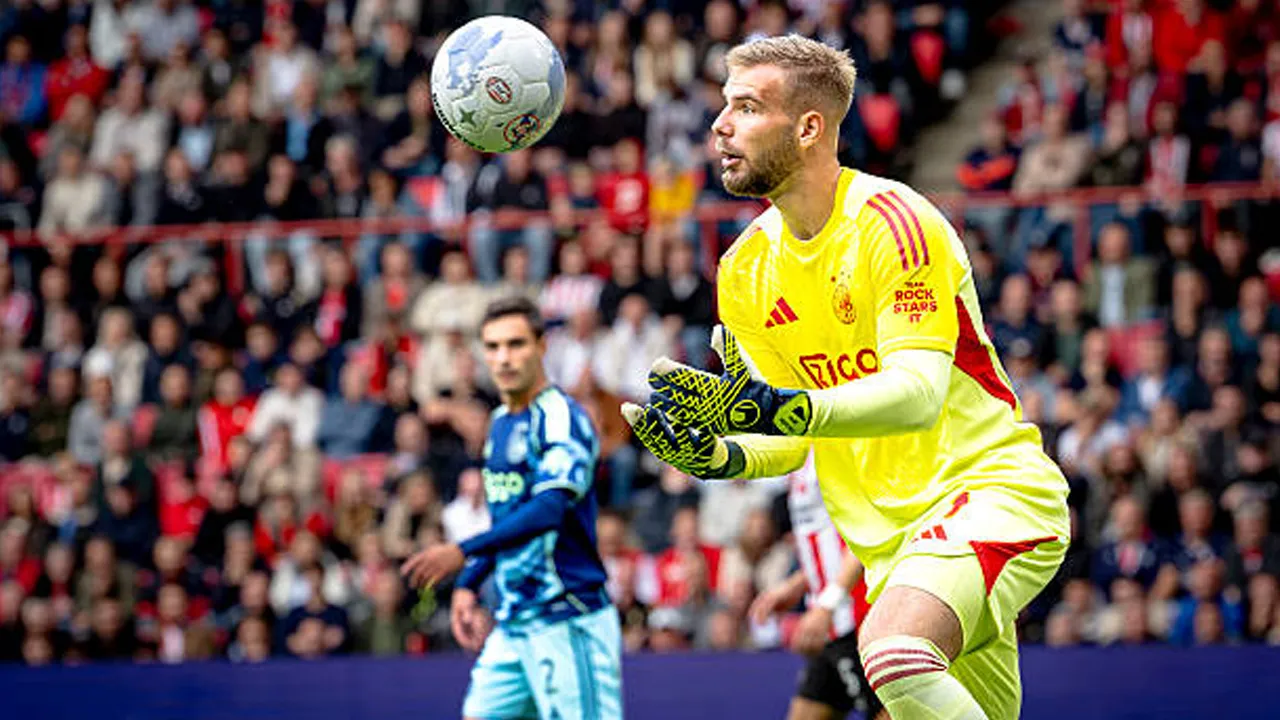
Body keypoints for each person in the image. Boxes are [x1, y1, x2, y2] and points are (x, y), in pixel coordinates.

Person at [622, 36, 1069, 720]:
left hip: (988, 492)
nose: (719, 125)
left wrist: (785, 409)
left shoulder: (895, 224)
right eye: (725, 107)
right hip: (891, 544)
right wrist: (723, 454)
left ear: (809, 128)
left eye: (745, 107)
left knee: (890, 653)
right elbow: (790, 433)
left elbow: (916, 394)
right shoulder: (744, 270)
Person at [401, 297, 621, 720]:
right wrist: (471, 581)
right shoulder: (500, 423)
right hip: (515, 622)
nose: (504, 358)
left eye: (516, 344)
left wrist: (463, 552)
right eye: (493, 347)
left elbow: (549, 509)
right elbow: (507, 519)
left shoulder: (562, 417)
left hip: (567, 617)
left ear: (541, 346)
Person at [749, 452, 884, 720]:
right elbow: (829, 538)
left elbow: (873, 528)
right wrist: (796, 584)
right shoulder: (800, 451)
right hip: (831, 618)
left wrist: (828, 604)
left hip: (858, 616)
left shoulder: (842, 445)